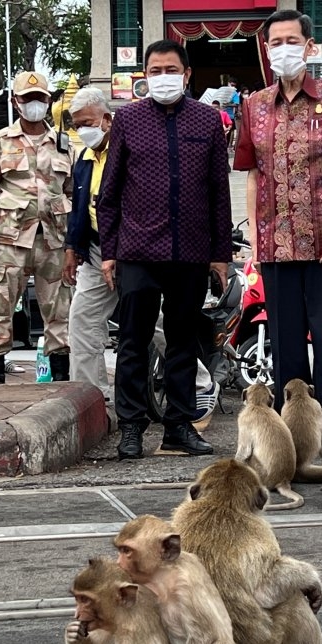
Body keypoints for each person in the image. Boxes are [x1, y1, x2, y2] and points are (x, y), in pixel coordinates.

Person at [234, 10, 322, 451]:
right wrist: (255, 236)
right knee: (286, 344)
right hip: (276, 244)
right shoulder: (254, 105)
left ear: (311, 48)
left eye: (293, 40)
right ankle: (296, 437)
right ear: (266, 49)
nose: (284, 49)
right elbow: (253, 173)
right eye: (276, 42)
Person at [97, 39, 232, 459]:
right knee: (134, 343)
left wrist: (221, 254)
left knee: (182, 343)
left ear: (187, 74)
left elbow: (218, 192)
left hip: (190, 252)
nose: (162, 78)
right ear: (145, 75)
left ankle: (178, 426)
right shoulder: (128, 120)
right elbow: (111, 189)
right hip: (137, 250)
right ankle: (132, 428)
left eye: (170, 69)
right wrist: (109, 250)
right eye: (154, 71)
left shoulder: (209, 122)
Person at [65, 87, 219, 415]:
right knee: (82, 322)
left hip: (135, 251)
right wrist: (72, 246)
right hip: (96, 252)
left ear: (108, 119)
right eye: (76, 126)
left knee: (156, 324)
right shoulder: (84, 159)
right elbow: (80, 206)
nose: (82, 131)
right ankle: (92, 399)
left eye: (87, 123)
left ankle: (200, 384)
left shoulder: (135, 146)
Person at [0, 70, 73, 384]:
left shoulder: (63, 144)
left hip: (53, 239)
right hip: (9, 239)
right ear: (15, 101)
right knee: (0, 306)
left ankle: (60, 382)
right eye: (28, 98)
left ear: (49, 101)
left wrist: (73, 243)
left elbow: (71, 190)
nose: (34, 104)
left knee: (59, 311)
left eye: (40, 99)